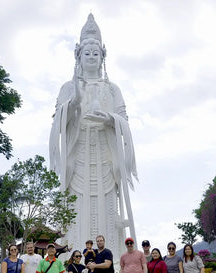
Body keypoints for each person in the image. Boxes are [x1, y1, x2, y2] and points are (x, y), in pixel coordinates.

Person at [49, 14, 138, 259]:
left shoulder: (112, 89)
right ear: (78, 55)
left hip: (104, 155)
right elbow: (57, 124)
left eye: (95, 53)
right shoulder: (68, 87)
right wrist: (74, 104)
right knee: (76, 208)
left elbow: (124, 122)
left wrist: (110, 120)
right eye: (86, 53)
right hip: (78, 156)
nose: (91, 57)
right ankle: (73, 256)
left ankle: (114, 258)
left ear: (102, 56)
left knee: (109, 208)